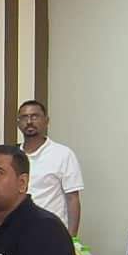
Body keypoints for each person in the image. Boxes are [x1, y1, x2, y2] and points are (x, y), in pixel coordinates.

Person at [17, 100, 83, 237]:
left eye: (35, 116)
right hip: (18, 231)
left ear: (46, 121)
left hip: (52, 232)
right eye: (24, 117)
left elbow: (72, 199)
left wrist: (72, 238)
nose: (29, 121)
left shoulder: (63, 154)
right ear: (18, 123)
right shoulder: (13, 156)